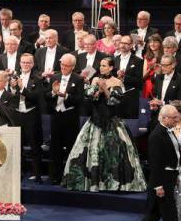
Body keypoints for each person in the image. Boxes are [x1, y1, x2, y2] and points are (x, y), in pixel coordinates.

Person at [61, 57, 147, 192]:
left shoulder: (118, 82)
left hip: (112, 122)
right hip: (95, 121)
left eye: (104, 65)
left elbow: (115, 102)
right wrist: (97, 91)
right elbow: (88, 98)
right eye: (100, 65)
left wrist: (105, 89)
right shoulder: (95, 79)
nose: (101, 68)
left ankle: (113, 184)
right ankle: (93, 183)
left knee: (113, 154)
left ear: (111, 68)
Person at [129, 105, 181, 221]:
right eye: (174, 117)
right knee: (171, 217)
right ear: (164, 118)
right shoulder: (156, 136)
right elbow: (156, 164)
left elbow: (173, 155)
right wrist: (158, 186)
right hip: (161, 182)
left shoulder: (168, 131)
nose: (176, 120)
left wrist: (175, 175)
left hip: (168, 178)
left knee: (154, 213)